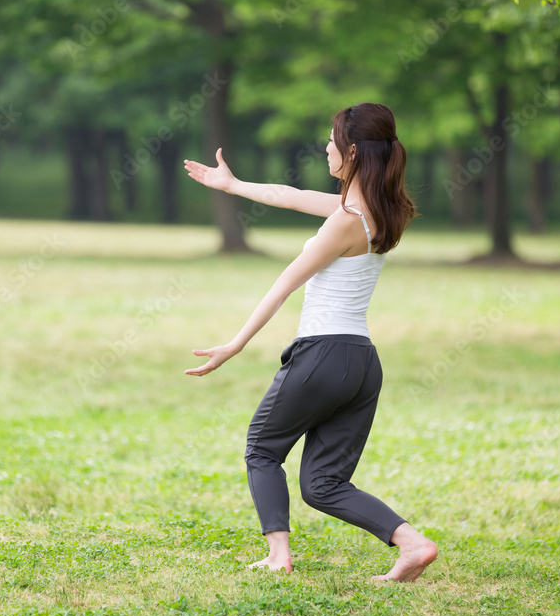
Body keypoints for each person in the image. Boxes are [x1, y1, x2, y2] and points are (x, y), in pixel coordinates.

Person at [182, 102, 438, 582]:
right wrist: (233, 185)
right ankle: (412, 543)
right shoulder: (381, 212)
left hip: (323, 353)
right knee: (322, 484)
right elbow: (290, 194)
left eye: (331, 139)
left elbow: (284, 284)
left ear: (354, 150)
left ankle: (279, 556)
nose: (326, 147)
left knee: (262, 448)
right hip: (361, 363)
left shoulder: (344, 220)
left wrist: (234, 345)